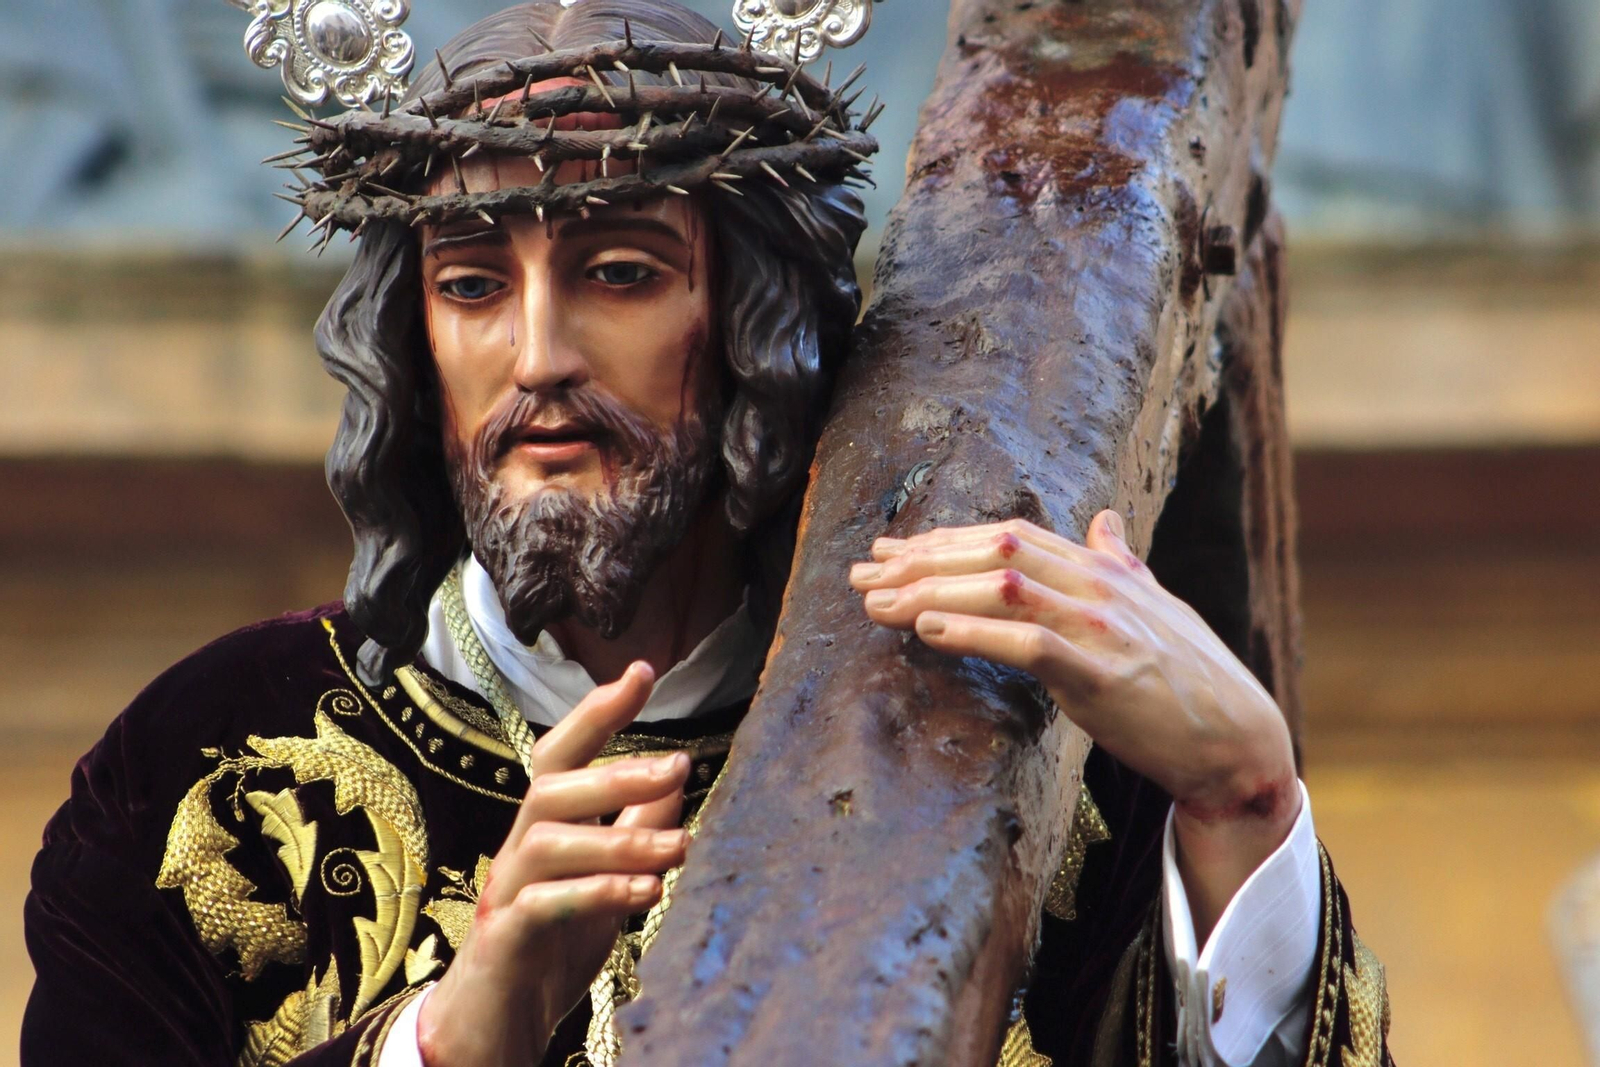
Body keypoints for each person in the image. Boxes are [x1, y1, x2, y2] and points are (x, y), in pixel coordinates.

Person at [22, 2, 1392, 1065]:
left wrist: (1244, 808)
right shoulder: (201, 775)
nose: (539, 354)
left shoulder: (1015, 738)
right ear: (410, 338)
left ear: (758, 330)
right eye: (472, 285)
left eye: (621, 273)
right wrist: (451, 1039)